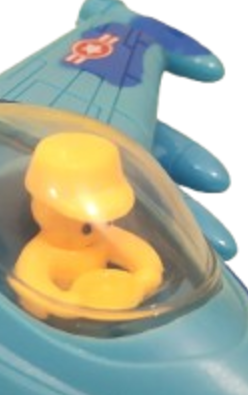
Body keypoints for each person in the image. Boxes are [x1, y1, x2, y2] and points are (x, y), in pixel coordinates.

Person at [10, 133, 163, 320]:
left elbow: (137, 250)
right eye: (87, 227)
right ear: (46, 211)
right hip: (61, 324)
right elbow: (31, 284)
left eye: (106, 220)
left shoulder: (103, 236)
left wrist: (146, 276)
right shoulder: (40, 254)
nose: (100, 228)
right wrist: (64, 303)